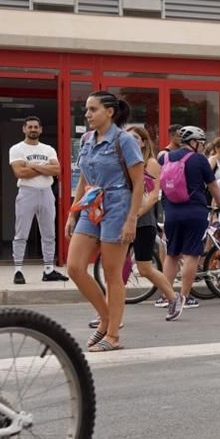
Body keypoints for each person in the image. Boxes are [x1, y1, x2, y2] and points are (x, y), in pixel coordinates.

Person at [65, 91, 144, 352]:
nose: (87, 114)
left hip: (118, 206)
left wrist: (131, 219)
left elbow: (139, 183)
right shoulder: (87, 139)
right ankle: (106, 317)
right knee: (75, 267)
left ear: (109, 112)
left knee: (112, 274)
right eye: (86, 110)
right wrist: (72, 213)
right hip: (91, 205)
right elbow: (83, 179)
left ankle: (112, 336)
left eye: (92, 109)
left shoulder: (125, 141)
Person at [162, 125, 220, 309]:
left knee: (172, 254)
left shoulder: (165, 157)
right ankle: (184, 297)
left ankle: (167, 296)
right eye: (202, 143)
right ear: (194, 142)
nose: (203, 147)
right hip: (194, 211)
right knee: (191, 254)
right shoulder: (199, 160)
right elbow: (212, 186)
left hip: (171, 211)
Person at [123, 125, 180, 320]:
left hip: (143, 222)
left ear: (144, 142)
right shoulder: (123, 163)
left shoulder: (151, 163)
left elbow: (154, 195)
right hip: (121, 220)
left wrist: (136, 214)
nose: (131, 142)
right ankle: (107, 312)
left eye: (135, 139)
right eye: (128, 139)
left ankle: (173, 298)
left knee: (144, 268)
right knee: (117, 268)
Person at [9, 114, 66, 284]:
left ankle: (48, 269)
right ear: (24, 129)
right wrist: (44, 168)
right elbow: (20, 173)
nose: (33, 129)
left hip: (46, 192)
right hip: (27, 192)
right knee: (21, 233)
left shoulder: (48, 149)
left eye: (36, 127)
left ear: (40, 129)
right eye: (30, 127)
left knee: (49, 233)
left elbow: (57, 170)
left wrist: (32, 165)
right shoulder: (17, 149)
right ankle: (18, 270)